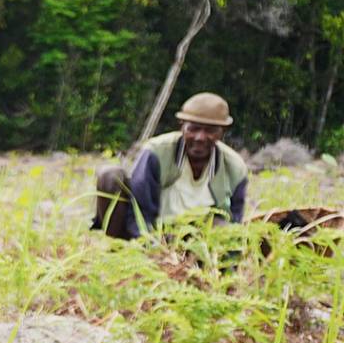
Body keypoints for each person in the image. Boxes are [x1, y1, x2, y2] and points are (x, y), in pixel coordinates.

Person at [93, 92, 248, 239]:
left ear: (222, 132)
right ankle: (116, 247)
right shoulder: (157, 152)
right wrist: (150, 245)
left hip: (198, 237)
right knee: (110, 176)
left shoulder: (234, 167)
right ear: (182, 126)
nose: (200, 137)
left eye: (210, 131)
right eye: (193, 129)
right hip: (153, 231)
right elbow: (139, 209)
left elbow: (234, 220)